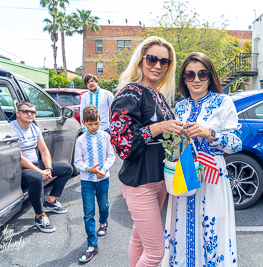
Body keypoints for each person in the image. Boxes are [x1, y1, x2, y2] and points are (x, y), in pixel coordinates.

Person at [162, 52, 242, 267]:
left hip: (212, 176)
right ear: (184, 79)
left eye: (202, 73)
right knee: (182, 228)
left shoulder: (223, 102)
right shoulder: (180, 106)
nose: (196, 79)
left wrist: (208, 133)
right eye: (190, 74)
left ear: (210, 76)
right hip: (185, 173)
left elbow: (236, 144)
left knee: (211, 228)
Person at [110, 36, 183, 267]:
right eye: (152, 59)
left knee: (139, 239)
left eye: (165, 61)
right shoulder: (131, 93)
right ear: (141, 60)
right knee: (155, 253)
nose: (158, 66)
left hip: (160, 180)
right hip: (140, 183)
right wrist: (159, 127)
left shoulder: (158, 95)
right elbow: (121, 143)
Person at [10, 101, 73, 233]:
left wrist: (48, 168)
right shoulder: (12, 129)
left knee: (67, 168)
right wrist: (41, 171)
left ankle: (50, 201)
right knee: (37, 176)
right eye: (25, 111)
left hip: (36, 163)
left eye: (32, 112)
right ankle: (40, 216)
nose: (29, 114)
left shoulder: (34, 128)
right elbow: (19, 158)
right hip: (21, 168)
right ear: (17, 114)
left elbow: (44, 151)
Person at [74, 105, 116, 263]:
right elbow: (77, 161)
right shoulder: (80, 140)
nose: (93, 127)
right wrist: (88, 169)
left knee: (104, 205)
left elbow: (110, 156)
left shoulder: (105, 136)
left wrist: (104, 169)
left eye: (96, 124)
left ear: (100, 121)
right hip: (87, 182)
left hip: (103, 179)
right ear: (83, 122)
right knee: (88, 213)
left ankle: (104, 222)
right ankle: (92, 245)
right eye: (89, 124)